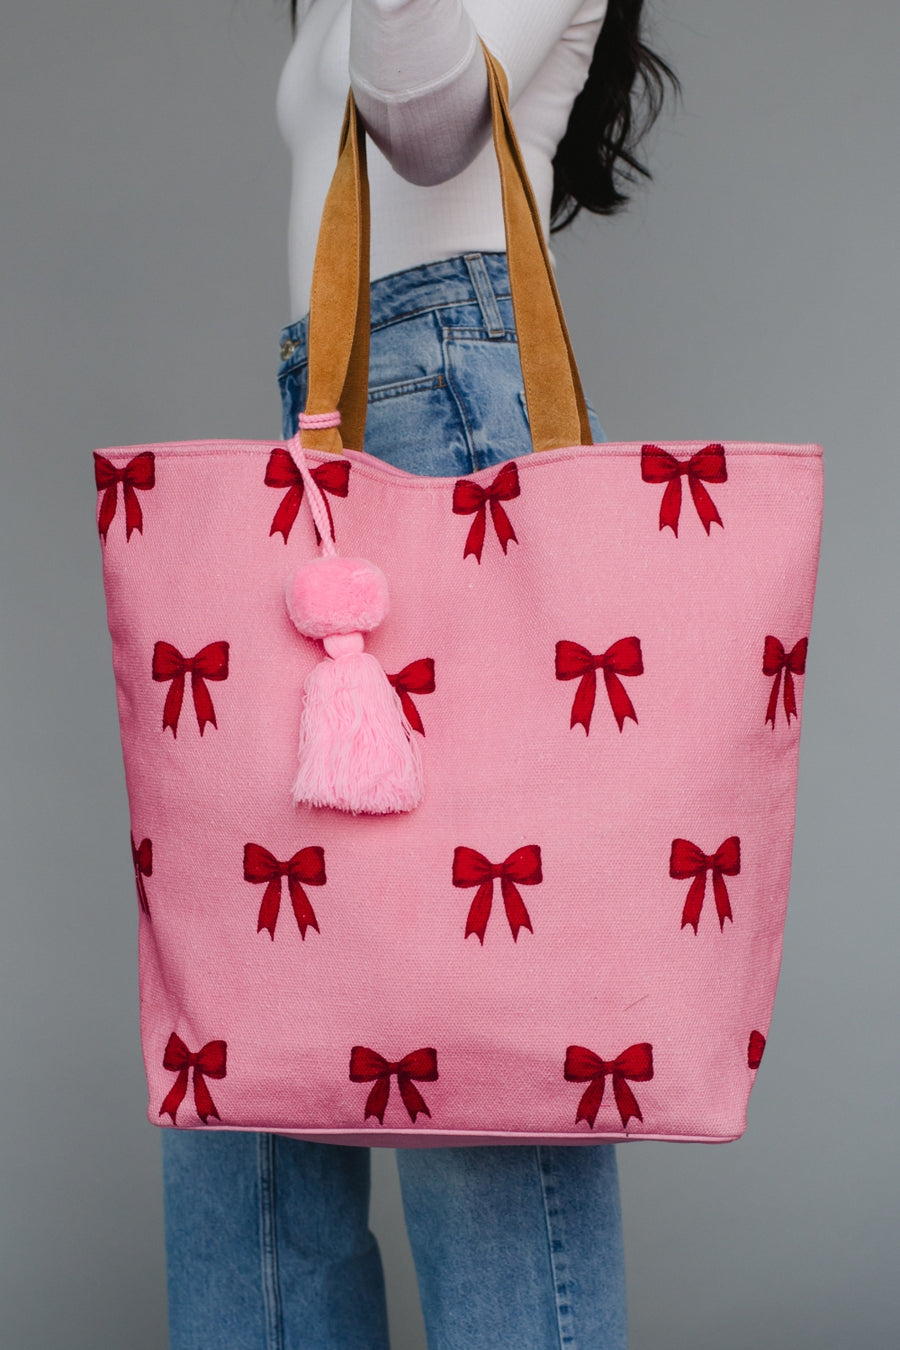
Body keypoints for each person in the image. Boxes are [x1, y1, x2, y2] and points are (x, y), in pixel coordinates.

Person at [161, 4, 679, 1347]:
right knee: (248, 1072)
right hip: (327, 422)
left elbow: (429, 122)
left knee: (482, 1070)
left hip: (458, 423)